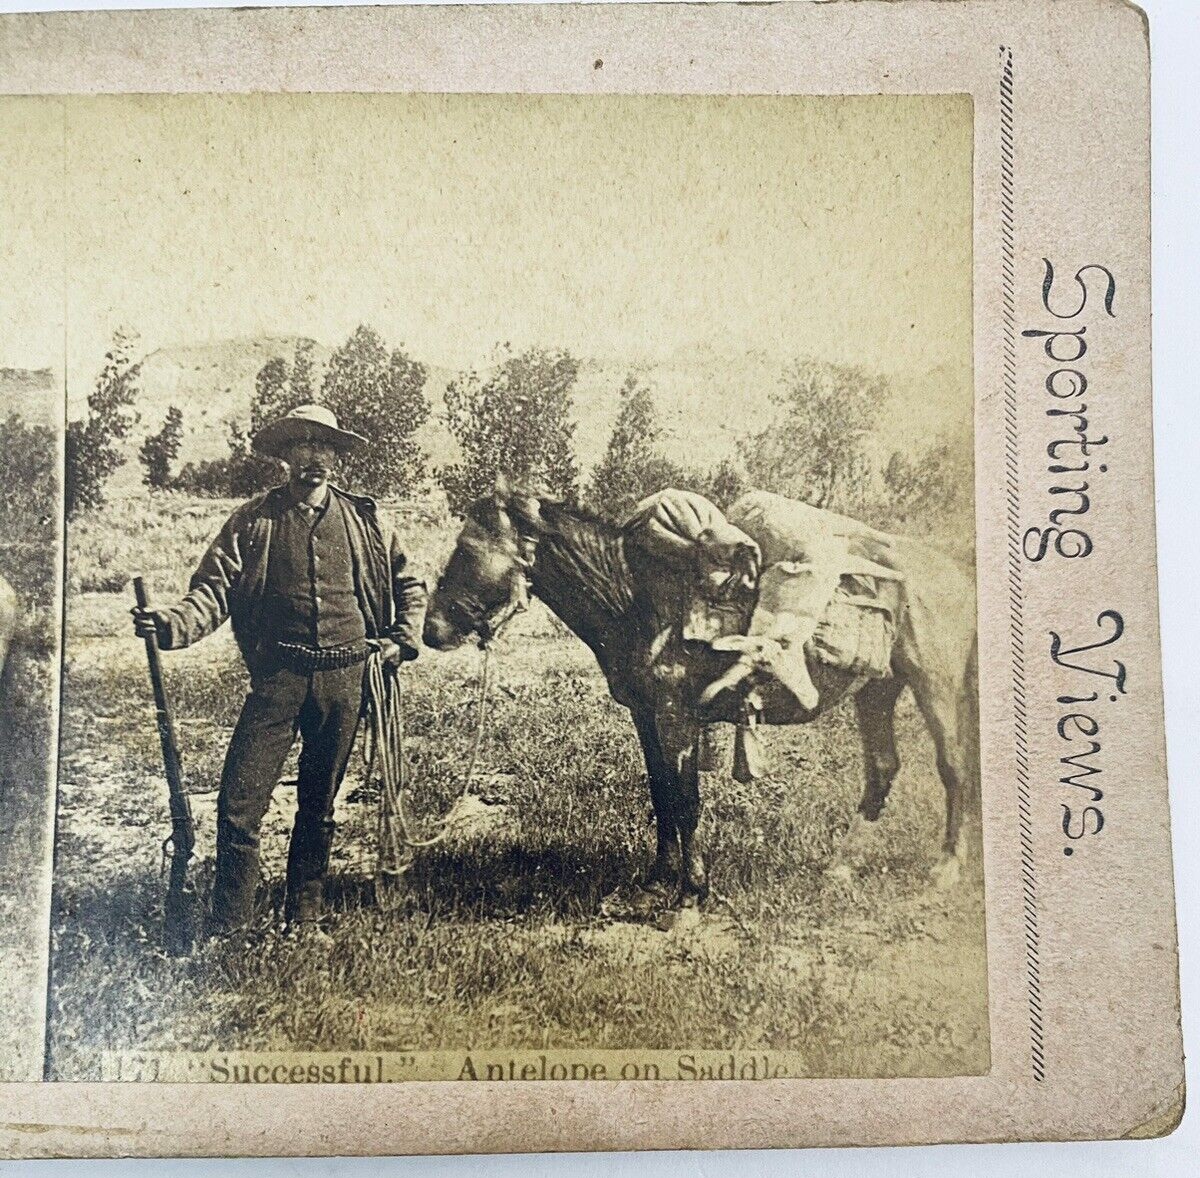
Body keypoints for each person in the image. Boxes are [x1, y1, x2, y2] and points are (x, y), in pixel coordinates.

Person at [132, 404, 426, 934]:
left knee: (319, 806)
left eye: (325, 447)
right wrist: (169, 625)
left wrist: (401, 641)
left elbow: (409, 585)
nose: (314, 458)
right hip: (278, 681)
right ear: (286, 457)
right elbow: (211, 591)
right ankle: (231, 925)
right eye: (302, 447)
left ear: (337, 456)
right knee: (238, 807)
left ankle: (304, 917)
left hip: (347, 681)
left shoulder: (367, 521)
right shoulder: (254, 521)